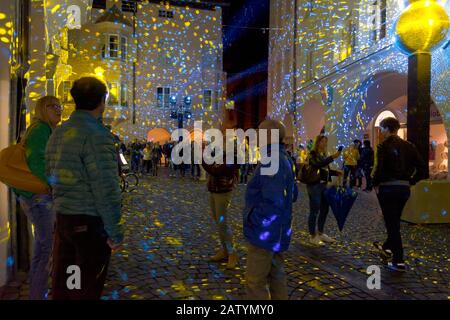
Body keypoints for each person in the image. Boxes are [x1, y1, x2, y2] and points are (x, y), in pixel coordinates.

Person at [46, 77, 124, 299]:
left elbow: (49, 174)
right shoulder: (98, 136)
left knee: (67, 285)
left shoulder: (59, 132)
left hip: (65, 221)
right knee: (87, 287)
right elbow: (106, 189)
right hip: (89, 224)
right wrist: (115, 232)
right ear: (102, 101)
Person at [243, 120, 298, 300]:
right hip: (278, 230)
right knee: (277, 277)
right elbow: (293, 194)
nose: (255, 136)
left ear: (269, 136)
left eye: (259, 132)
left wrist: (254, 219)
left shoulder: (272, 159)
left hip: (265, 232)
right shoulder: (284, 157)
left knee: (255, 281)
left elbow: (273, 200)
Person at [14, 96, 62, 299]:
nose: (58, 109)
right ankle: (37, 294)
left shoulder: (43, 129)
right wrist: (53, 186)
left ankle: (38, 291)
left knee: (43, 249)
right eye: (53, 106)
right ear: (42, 109)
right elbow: (38, 163)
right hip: (38, 197)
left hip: (36, 196)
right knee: (44, 250)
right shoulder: (41, 129)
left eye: (59, 106)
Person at [372, 117, 426, 272]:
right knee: (394, 221)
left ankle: (398, 260)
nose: (381, 132)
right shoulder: (409, 146)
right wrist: (411, 181)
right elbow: (422, 168)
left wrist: (374, 183)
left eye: (382, 129)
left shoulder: (383, 146)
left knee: (392, 224)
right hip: (403, 190)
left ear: (387, 129)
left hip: (388, 189)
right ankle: (387, 246)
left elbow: (380, 168)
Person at [202, 136, 239, 269]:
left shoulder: (231, 157)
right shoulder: (218, 154)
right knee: (218, 222)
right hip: (213, 190)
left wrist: (203, 158)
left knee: (223, 223)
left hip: (223, 191)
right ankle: (225, 250)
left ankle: (232, 253)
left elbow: (216, 170)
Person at [306, 135, 342, 246]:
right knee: (314, 210)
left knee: (324, 210)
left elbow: (325, 171)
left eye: (325, 142)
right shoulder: (312, 154)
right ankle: (313, 236)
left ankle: (320, 233)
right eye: (322, 141)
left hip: (323, 186)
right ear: (317, 143)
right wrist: (333, 157)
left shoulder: (323, 155)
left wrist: (336, 173)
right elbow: (317, 165)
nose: (324, 144)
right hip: (314, 186)